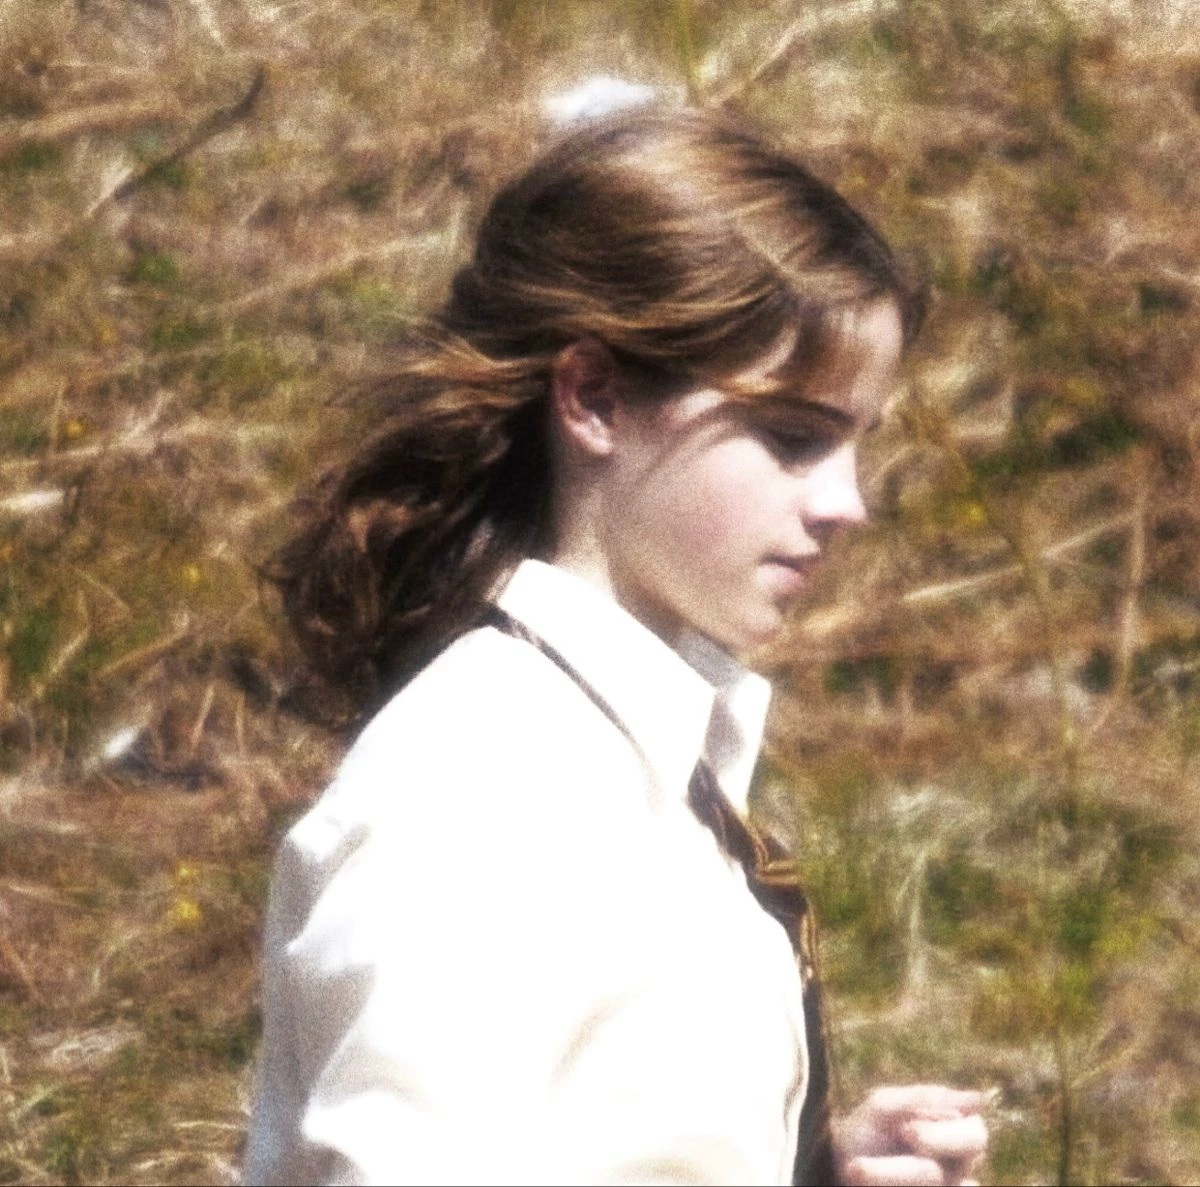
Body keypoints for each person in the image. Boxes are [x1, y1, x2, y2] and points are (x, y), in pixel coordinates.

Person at [244, 106, 990, 1186]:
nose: (847, 503)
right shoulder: (482, 784)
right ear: (594, 398)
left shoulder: (623, 761)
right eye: (793, 437)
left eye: (854, 444)